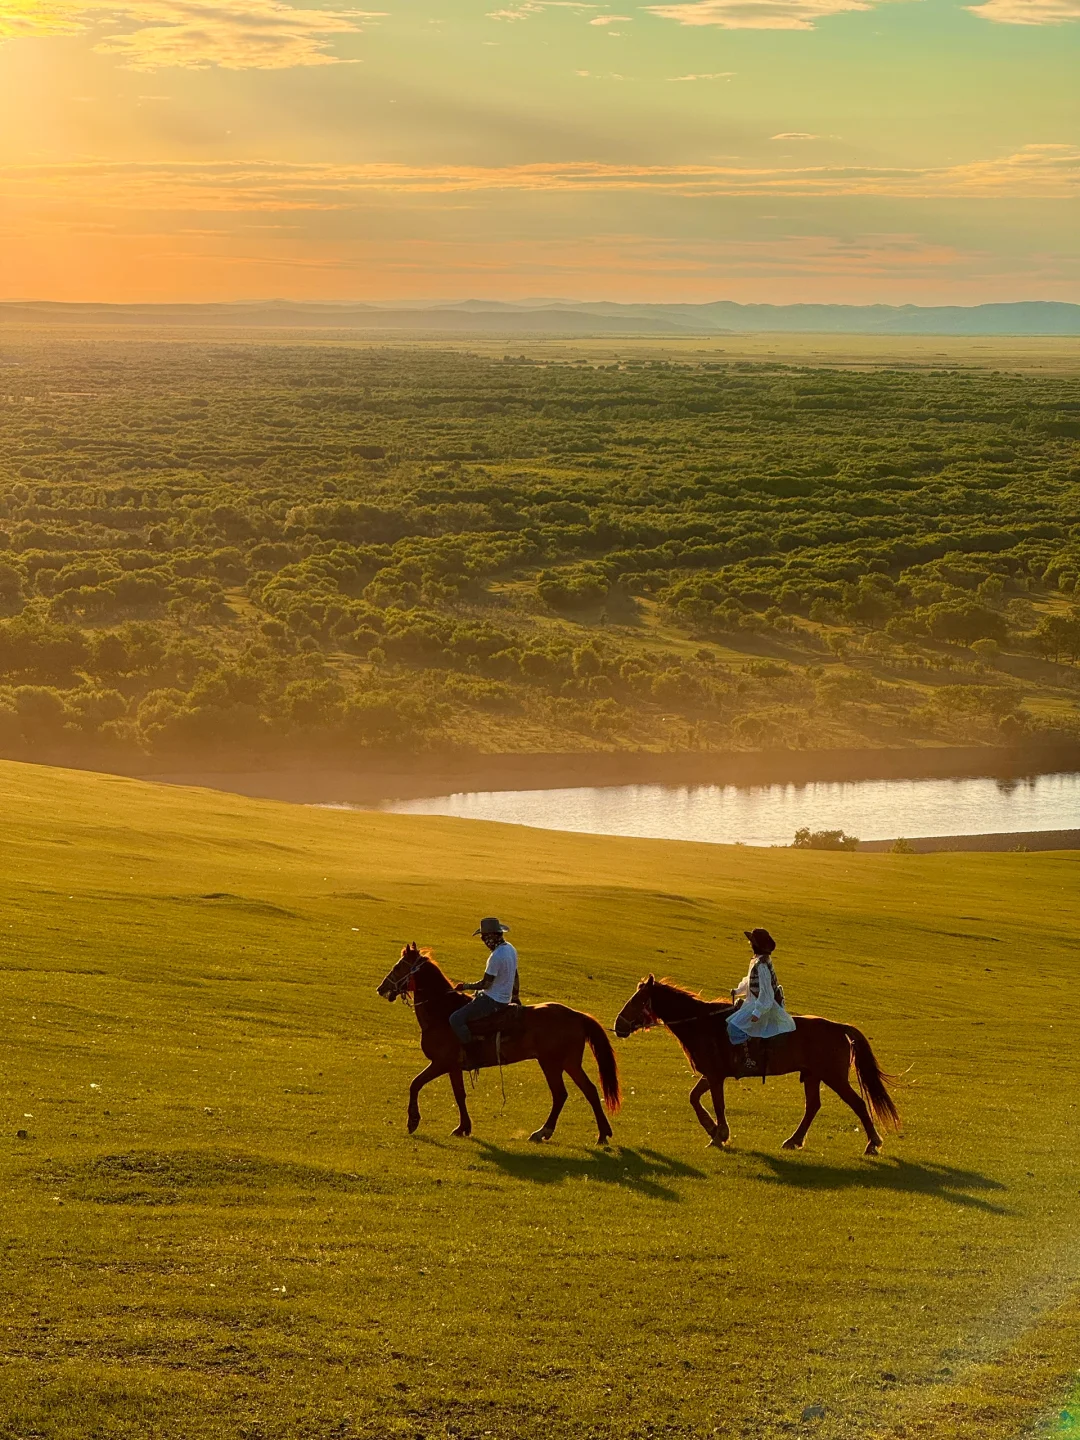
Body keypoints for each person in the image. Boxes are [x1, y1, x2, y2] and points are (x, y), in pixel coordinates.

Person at [726, 927, 795, 1074]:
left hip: (763, 1005)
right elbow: (750, 981)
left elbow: (766, 992)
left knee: (734, 1027)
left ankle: (749, 1059)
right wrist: (738, 991)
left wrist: (758, 1011)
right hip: (753, 1002)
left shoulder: (762, 965)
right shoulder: (756, 961)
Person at [449, 918, 518, 1055]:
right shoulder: (510, 948)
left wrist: (465, 986)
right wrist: (515, 996)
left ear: (491, 937)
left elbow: (486, 984)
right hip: (505, 998)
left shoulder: (496, 956)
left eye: (484, 938)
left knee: (455, 1019)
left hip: (492, 1000)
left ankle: (473, 1052)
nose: (484, 942)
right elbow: (515, 975)